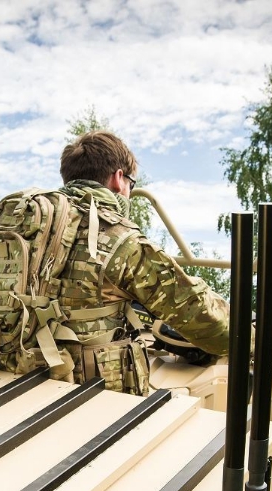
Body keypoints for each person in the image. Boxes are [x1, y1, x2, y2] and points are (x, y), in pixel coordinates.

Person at [38, 130, 231, 393]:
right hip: (86, 388)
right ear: (119, 179)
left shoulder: (36, 224)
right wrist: (252, 339)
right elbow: (199, 315)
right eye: (131, 183)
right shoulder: (118, 237)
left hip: (19, 369)